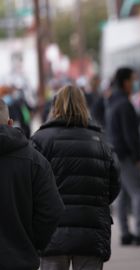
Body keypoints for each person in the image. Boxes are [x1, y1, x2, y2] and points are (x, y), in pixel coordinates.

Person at [31, 85, 120, 270]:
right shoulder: (101, 141)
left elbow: (30, 184)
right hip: (92, 229)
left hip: (51, 232)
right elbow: (114, 185)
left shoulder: (39, 140)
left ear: (54, 106)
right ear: (84, 105)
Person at [0, 99, 64, 270]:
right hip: (20, 259)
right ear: (10, 123)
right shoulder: (35, 161)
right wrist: (32, 243)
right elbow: (52, 209)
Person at [105, 67, 140, 245]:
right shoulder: (125, 104)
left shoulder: (112, 101)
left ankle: (126, 233)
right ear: (126, 81)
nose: (136, 83)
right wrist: (138, 156)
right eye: (134, 79)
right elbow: (130, 134)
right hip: (126, 155)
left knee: (124, 194)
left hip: (115, 152)